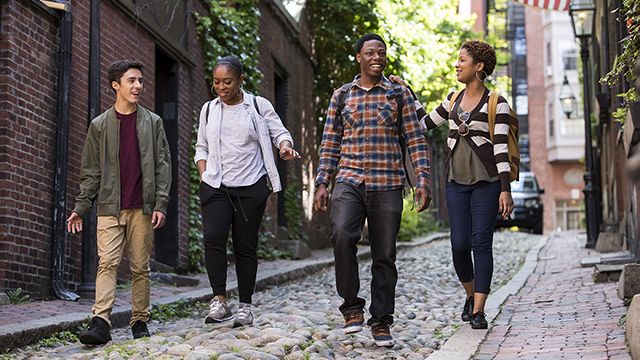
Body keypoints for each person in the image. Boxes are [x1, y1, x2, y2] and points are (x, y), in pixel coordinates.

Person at [313, 33, 431, 347]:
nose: (377, 57)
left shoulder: (398, 94)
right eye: (370, 52)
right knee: (342, 235)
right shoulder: (341, 96)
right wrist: (323, 181)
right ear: (359, 58)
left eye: (381, 52)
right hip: (349, 180)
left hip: (388, 182)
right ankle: (351, 307)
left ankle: (381, 321)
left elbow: (415, 139)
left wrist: (422, 179)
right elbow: (330, 143)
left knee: (385, 254)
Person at [396, 40, 514, 330]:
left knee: (481, 244)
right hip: (455, 183)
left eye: (462, 60)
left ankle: (479, 311)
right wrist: (408, 91)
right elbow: (423, 123)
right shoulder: (452, 99)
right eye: (457, 60)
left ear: (479, 66)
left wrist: (505, 188)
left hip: (487, 184)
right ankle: (470, 294)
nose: (457, 65)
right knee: (459, 245)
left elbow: (500, 148)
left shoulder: (496, 102)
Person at [67, 59, 172, 344]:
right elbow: (90, 172)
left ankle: (139, 320)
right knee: (107, 264)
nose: (138, 86)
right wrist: (81, 207)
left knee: (140, 267)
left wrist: (161, 203)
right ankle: (100, 322)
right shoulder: (99, 126)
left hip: (143, 207)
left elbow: (163, 164)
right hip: (110, 207)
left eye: (140, 80)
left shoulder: (153, 122)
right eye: (131, 81)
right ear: (116, 85)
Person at [195, 55, 300, 328]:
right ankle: (219, 300)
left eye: (227, 81)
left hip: (251, 186)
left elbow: (280, 132)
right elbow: (201, 146)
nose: (221, 87)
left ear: (241, 80)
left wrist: (285, 147)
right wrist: (204, 175)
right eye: (216, 82)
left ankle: (245, 305)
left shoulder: (257, 105)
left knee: (245, 245)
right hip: (217, 186)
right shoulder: (209, 109)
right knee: (214, 238)